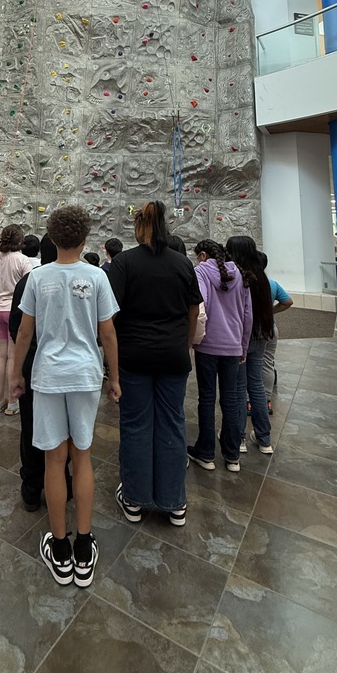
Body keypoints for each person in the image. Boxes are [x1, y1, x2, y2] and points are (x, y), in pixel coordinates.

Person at [10, 206, 120, 589]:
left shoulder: (38, 278)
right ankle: (85, 547)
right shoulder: (97, 277)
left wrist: (15, 375)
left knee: (54, 460)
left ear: (52, 239)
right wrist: (115, 378)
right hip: (86, 374)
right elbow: (108, 334)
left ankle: (59, 549)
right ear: (85, 238)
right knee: (83, 456)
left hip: (48, 376)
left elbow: (24, 334)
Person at [107, 200, 202, 527]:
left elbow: (110, 315)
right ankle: (174, 502)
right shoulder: (183, 263)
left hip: (134, 357)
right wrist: (185, 343)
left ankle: (135, 499)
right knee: (172, 424)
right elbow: (193, 311)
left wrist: (111, 363)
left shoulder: (124, 263)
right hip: (174, 357)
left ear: (140, 228)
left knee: (136, 425)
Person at [9, 234, 71, 512]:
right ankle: (64, 483)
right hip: (67, 366)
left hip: (35, 363)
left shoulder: (29, 282)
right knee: (64, 427)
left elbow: (17, 328)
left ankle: (33, 486)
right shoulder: (76, 280)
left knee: (33, 426)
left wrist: (18, 370)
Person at [187, 240, 251, 472]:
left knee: (206, 398)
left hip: (207, 346)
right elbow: (247, 314)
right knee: (231, 399)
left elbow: (199, 305)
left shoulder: (201, 271)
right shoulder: (241, 275)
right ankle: (232, 455)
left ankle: (206, 453)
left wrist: (192, 339)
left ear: (203, 255)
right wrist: (243, 346)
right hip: (233, 346)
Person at [226, 236, 275, 455]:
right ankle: (264, 438)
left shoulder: (238, 276)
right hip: (261, 336)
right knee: (256, 386)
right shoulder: (262, 278)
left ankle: (239, 439)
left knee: (238, 388)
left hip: (240, 339)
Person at [0, 224, 33, 415]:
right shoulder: (23, 260)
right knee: (13, 356)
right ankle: (13, 402)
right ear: (20, 240)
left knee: (0, 355)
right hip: (15, 311)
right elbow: (30, 285)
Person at [258, 251, 293, 413]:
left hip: (254, 330)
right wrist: (271, 311)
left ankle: (251, 400)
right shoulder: (272, 284)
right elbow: (288, 301)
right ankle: (266, 401)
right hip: (270, 327)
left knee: (251, 364)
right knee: (267, 363)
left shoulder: (250, 283)